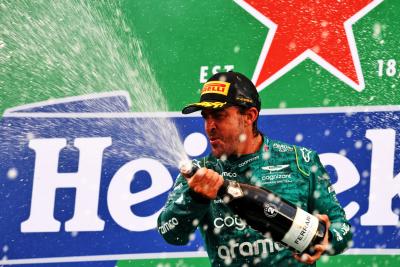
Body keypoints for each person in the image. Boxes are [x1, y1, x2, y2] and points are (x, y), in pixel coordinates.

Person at [157, 71, 352, 266]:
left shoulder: (300, 161)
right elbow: (171, 234)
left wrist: (329, 239)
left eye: (218, 115)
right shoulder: (200, 174)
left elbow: (342, 228)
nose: (209, 127)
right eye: (205, 117)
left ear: (249, 116)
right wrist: (196, 198)